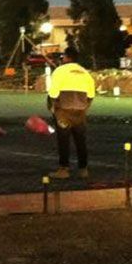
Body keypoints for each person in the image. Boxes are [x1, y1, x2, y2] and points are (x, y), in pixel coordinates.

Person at [47, 46, 95, 179]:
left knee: (63, 140)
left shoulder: (60, 71)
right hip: (80, 111)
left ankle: (64, 169)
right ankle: (83, 169)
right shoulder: (85, 72)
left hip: (64, 111)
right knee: (80, 140)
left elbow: (53, 93)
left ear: (67, 57)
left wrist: (53, 108)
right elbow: (91, 95)